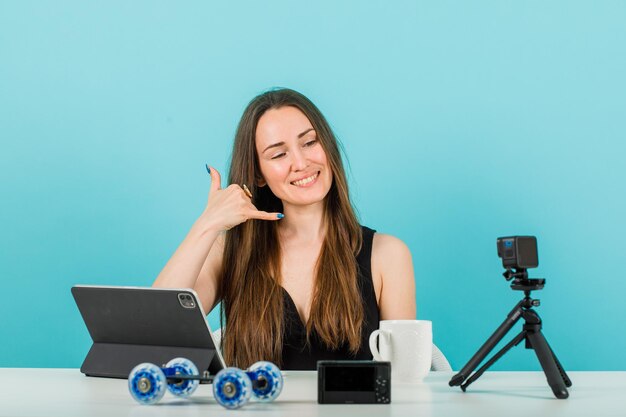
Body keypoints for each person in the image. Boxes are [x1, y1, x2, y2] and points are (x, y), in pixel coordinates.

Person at [153, 88, 416, 370]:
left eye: (310, 142)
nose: (301, 163)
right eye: (279, 154)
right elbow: (156, 330)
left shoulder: (388, 255)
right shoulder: (230, 251)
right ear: (258, 174)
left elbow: (406, 381)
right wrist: (207, 224)